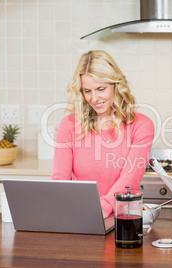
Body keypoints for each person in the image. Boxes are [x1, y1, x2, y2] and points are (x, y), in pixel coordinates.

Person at [51, 50, 155, 218]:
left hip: (124, 217)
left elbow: (130, 178)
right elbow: (59, 180)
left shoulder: (141, 125)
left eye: (101, 89)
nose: (94, 98)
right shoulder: (69, 125)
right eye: (87, 91)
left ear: (116, 85)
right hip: (82, 215)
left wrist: (103, 208)